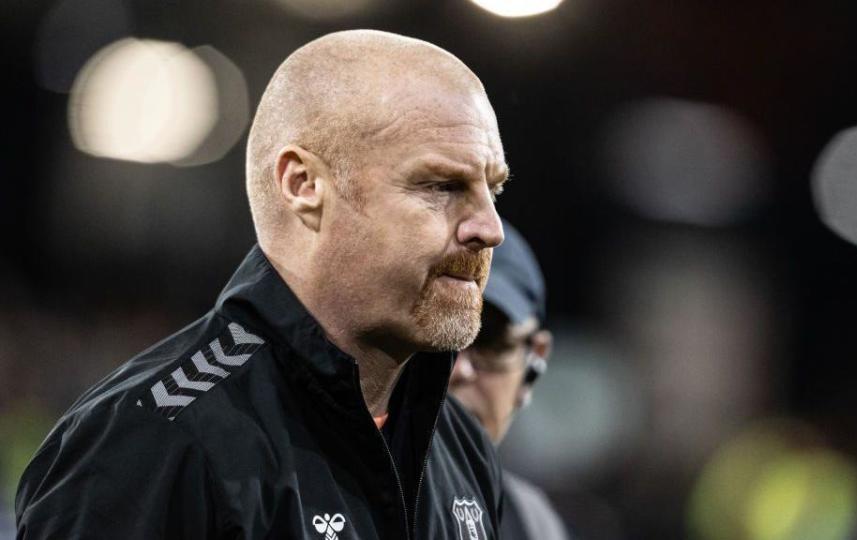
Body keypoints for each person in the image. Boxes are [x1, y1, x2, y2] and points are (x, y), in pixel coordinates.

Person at [16, 30, 510, 539]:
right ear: (304, 185)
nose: (490, 228)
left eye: (492, 189)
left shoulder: (460, 446)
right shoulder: (152, 441)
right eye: (441, 186)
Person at [449, 221, 570, 540]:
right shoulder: (319, 497)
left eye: (490, 341)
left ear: (535, 363)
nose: (458, 369)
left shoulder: (531, 525)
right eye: (437, 342)